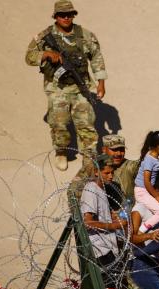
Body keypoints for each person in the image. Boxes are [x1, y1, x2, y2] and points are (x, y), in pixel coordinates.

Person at [25, 0, 107, 171]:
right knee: (59, 122)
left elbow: (97, 58)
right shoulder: (45, 36)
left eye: (70, 14)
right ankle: (61, 151)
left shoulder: (85, 35)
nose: (66, 18)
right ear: (55, 16)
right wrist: (45, 54)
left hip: (80, 86)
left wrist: (101, 83)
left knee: (86, 122)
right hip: (57, 88)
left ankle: (89, 156)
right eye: (62, 15)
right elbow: (29, 57)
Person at [58, 159, 127, 289]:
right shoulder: (90, 190)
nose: (110, 176)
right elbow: (87, 222)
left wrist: (110, 218)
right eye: (107, 173)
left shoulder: (100, 190)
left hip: (106, 247)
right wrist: (110, 225)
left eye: (112, 173)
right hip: (100, 250)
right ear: (96, 172)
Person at [68, 134, 139, 203]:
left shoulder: (130, 166)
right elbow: (73, 189)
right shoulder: (94, 165)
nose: (119, 153)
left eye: (122, 150)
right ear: (104, 150)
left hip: (124, 211)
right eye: (114, 150)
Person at [134, 130, 159, 233]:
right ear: (158, 145)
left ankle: (156, 222)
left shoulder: (154, 159)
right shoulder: (149, 159)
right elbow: (146, 181)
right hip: (142, 192)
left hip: (146, 191)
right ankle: (141, 230)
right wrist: (156, 196)